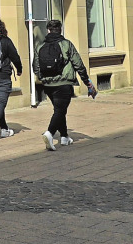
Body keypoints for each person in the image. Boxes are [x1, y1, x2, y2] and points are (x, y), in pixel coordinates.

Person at [32, 19, 95, 151]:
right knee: (60, 110)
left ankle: (65, 137)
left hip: (48, 85)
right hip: (64, 83)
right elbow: (78, 64)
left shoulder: (40, 46)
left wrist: (43, 78)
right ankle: (49, 133)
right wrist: (87, 82)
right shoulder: (66, 45)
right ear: (60, 30)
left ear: (48, 30)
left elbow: (36, 67)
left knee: (59, 110)